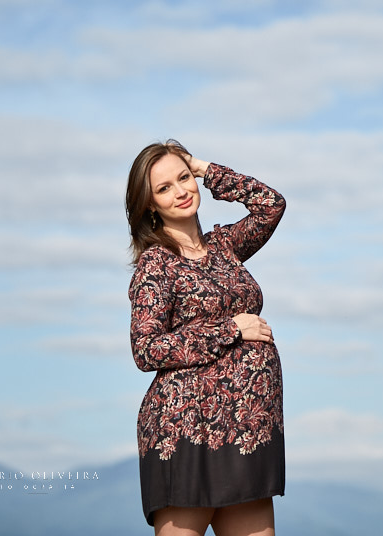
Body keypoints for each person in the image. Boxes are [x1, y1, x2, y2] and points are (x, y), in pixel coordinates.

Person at [125, 140, 286, 536]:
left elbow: (272, 205)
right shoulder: (156, 264)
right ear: (149, 204)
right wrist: (232, 330)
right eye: (164, 188)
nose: (181, 191)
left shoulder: (225, 247)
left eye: (183, 178)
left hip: (250, 431)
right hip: (187, 430)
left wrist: (203, 167)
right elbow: (146, 349)